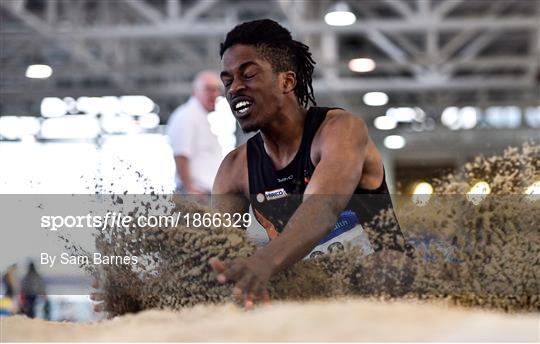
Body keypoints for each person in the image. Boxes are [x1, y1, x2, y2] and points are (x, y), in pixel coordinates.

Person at [209, 19, 413, 308]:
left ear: (287, 81)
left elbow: (323, 207)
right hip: (311, 292)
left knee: (384, 267)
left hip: (384, 284)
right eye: (227, 81)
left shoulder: (340, 130)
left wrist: (264, 261)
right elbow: (217, 247)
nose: (234, 88)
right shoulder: (234, 169)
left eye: (249, 75)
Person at [167, 71, 223, 194]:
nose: (214, 94)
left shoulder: (199, 118)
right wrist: (190, 189)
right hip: (196, 195)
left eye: (216, 90)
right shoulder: (186, 116)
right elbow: (180, 155)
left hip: (205, 194)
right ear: (195, 92)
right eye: (208, 89)